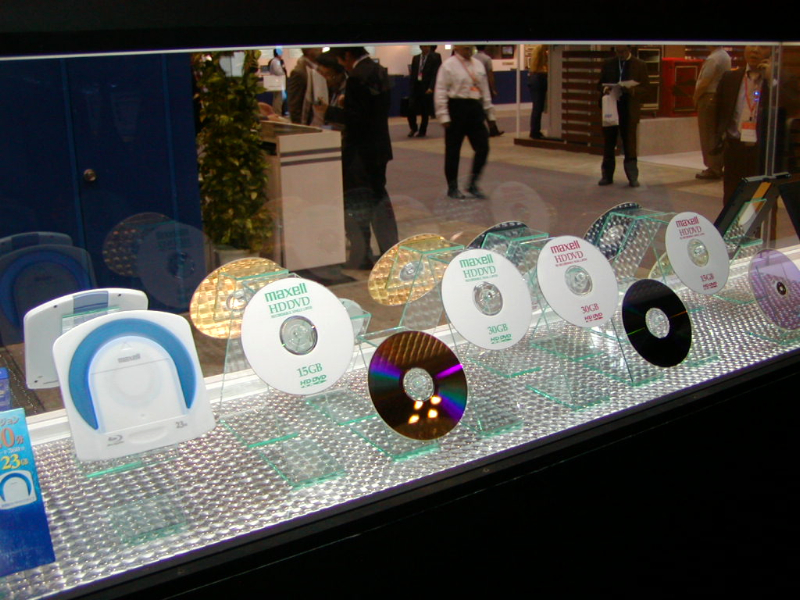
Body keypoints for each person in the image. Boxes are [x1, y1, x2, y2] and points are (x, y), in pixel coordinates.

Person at [335, 47, 399, 268]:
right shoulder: (379, 70)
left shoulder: (356, 77)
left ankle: (361, 254)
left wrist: (332, 111)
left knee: (358, 202)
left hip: (360, 152)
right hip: (380, 147)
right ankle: (390, 249)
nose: (342, 65)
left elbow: (356, 120)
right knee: (379, 198)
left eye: (341, 61)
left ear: (347, 56)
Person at [434, 44, 498, 200]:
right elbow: (440, 91)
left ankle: (473, 184)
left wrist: (490, 115)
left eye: (471, 48)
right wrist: (443, 115)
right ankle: (453, 187)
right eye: (466, 48)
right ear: (457, 48)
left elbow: (485, 91)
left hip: (475, 109)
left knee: (483, 148)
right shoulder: (448, 66)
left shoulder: (478, 65)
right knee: (453, 151)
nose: (469, 51)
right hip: (456, 108)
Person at [598, 45, 650, 187]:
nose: (620, 54)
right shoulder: (608, 63)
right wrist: (605, 88)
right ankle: (607, 176)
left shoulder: (640, 65)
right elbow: (599, 84)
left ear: (629, 50)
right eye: (618, 52)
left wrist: (632, 90)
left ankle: (632, 177)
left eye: (623, 52)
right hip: (611, 107)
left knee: (630, 144)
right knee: (609, 144)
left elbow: (646, 88)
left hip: (629, 109)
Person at [693, 46, 731, 180]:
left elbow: (705, 82)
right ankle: (717, 165)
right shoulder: (725, 56)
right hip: (719, 97)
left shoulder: (713, 58)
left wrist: (695, 97)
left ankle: (713, 168)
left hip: (708, 97)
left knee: (707, 134)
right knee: (716, 134)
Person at [407, 45, 442, 138]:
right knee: (410, 108)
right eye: (424, 46)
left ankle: (422, 130)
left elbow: (436, 73)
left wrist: (431, 87)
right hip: (416, 86)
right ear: (421, 47)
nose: (427, 48)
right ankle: (413, 128)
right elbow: (413, 73)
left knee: (424, 110)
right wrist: (411, 86)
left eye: (428, 46)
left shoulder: (435, 57)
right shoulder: (416, 58)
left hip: (427, 87)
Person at [287, 47, 322, 125]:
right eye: (316, 47)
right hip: (307, 122)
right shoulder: (299, 72)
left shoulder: (318, 67)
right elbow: (294, 103)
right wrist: (299, 126)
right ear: (307, 49)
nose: (321, 48)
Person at [474, 46, 503, 137]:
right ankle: (492, 129)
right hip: (484, 86)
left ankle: (493, 129)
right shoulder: (487, 59)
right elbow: (490, 75)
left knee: (479, 108)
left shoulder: (472, 58)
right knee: (488, 108)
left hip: (474, 87)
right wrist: (493, 89)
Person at [528, 45, 549, 139]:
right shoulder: (540, 72)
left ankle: (535, 130)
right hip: (539, 80)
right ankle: (535, 131)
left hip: (535, 80)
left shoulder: (534, 70)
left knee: (537, 107)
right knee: (538, 107)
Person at [268, 48, 287, 116]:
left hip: (277, 84)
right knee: (278, 100)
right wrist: (284, 74)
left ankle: (276, 113)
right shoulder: (276, 61)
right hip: (278, 83)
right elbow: (278, 72)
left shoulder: (274, 61)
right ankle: (278, 114)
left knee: (276, 99)